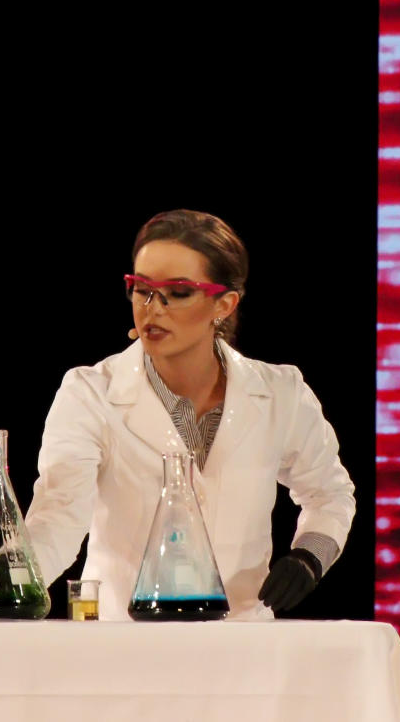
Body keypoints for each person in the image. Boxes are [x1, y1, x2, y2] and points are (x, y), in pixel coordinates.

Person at [23, 209, 356, 620]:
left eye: (176, 292)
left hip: (241, 647)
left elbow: (330, 493)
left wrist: (310, 555)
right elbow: (58, 515)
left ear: (225, 303)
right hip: (120, 644)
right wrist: (6, 586)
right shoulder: (91, 393)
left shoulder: (280, 393)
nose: (152, 308)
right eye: (141, 289)